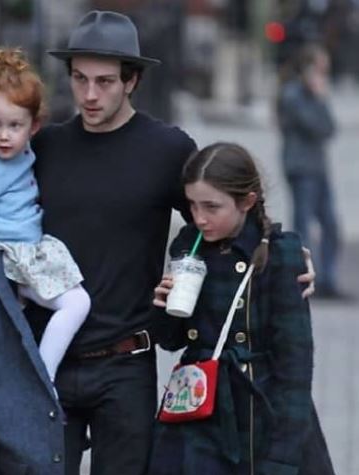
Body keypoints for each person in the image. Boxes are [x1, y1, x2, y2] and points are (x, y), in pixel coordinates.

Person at [25, 10, 316, 475]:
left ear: (132, 80)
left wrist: (281, 253)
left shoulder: (166, 149)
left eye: (105, 81)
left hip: (126, 363)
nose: (90, 94)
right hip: (48, 358)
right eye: (79, 79)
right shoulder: (46, 148)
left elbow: (219, 220)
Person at [148, 142, 335, 475]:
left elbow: (294, 368)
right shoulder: (188, 244)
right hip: (199, 409)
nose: (200, 218)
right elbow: (172, 340)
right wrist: (164, 306)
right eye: (192, 205)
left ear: (247, 202)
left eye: (212, 207)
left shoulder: (279, 254)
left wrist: (281, 459)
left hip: (261, 411)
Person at [0, 48, 91, 383]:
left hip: (28, 252)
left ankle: (36, 375)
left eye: (15, 125)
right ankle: (44, 376)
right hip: (9, 259)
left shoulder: (22, 153)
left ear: (34, 126)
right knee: (77, 303)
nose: (3, 135)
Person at [277, 43, 343, 298]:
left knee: (330, 225)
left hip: (318, 167)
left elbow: (330, 128)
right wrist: (319, 98)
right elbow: (316, 126)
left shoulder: (314, 96)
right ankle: (304, 276)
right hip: (301, 168)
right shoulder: (292, 95)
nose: (323, 75)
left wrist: (320, 98)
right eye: (320, 69)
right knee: (303, 225)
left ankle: (328, 278)